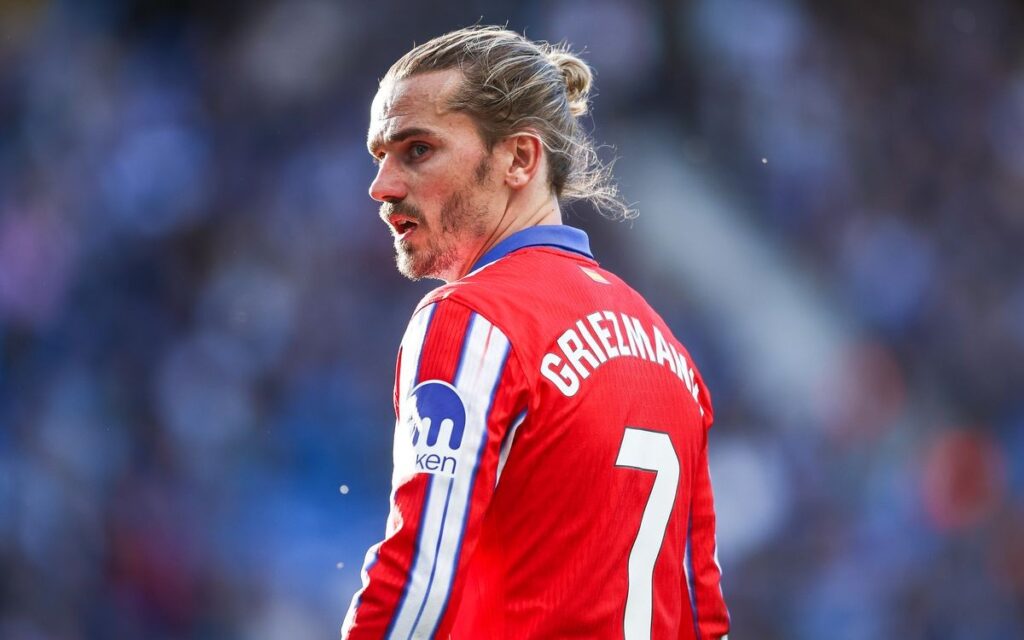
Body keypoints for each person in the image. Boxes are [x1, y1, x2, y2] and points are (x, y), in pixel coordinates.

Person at [341, 26, 729, 640]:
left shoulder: (472, 318)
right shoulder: (671, 356)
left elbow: (418, 580)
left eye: (417, 150)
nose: (381, 187)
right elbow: (703, 618)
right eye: (379, 157)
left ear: (520, 159)